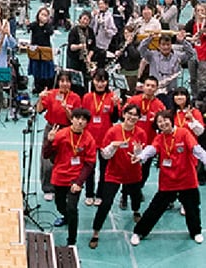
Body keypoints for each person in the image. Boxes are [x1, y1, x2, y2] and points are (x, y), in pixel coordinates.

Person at [130, 110, 206, 246]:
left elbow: (196, 149)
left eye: (165, 120)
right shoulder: (160, 138)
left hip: (187, 179)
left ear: (171, 120)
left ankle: (196, 232)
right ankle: (139, 232)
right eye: (159, 122)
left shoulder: (183, 133)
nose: (163, 123)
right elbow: (152, 149)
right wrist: (140, 157)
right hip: (168, 180)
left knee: (192, 208)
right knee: (155, 208)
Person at [89, 103, 147, 249]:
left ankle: (136, 211)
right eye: (130, 113)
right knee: (106, 203)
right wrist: (113, 146)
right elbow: (104, 155)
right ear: (124, 114)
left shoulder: (141, 133)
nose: (132, 117)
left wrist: (138, 153)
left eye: (135, 115)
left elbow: (142, 157)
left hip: (133, 173)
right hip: (114, 173)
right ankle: (96, 232)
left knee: (136, 197)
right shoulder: (113, 131)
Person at [43, 108, 97, 246]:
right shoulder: (61, 135)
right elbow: (46, 155)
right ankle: (65, 216)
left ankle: (71, 240)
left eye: (84, 119)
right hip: (59, 176)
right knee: (60, 204)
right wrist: (49, 141)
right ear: (71, 119)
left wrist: (79, 182)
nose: (80, 122)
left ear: (87, 123)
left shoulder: (89, 139)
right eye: (77, 118)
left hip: (75, 178)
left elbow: (89, 164)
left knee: (72, 208)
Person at [37, 72, 83, 201]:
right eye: (62, 81)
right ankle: (47, 188)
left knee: (66, 160)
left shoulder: (75, 98)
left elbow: (75, 119)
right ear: (58, 82)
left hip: (68, 129)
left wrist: (67, 110)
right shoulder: (51, 94)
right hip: (52, 128)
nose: (65, 84)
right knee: (47, 161)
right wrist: (40, 98)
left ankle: (65, 188)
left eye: (67, 81)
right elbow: (39, 110)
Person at [80, 69, 121, 206]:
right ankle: (89, 194)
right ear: (93, 81)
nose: (100, 84)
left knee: (104, 169)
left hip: (105, 139)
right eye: (98, 80)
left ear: (107, 82)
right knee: (89, 168)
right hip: (89, 139)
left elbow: (115, 119)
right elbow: (83, 118)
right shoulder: (87, 97)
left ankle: (100, 194)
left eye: (103, 81)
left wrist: (115, 106)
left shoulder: (112, 97)